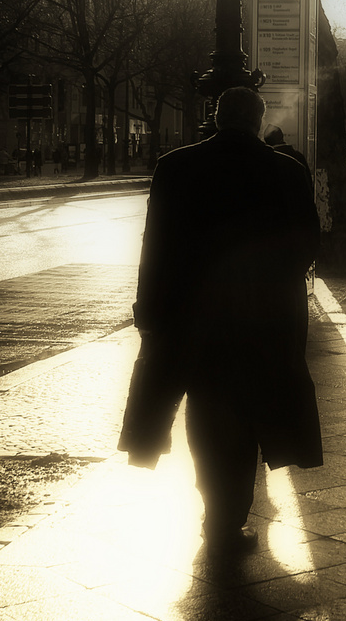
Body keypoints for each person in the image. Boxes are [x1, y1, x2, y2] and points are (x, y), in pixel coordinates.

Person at [119, 87, 322, 555]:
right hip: (263, 320)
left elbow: (156, 247)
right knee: (250, 414)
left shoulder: (175, 167)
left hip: (194, 318)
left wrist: (150, 312)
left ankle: (214, 510)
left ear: (215, 117)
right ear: (258, 120)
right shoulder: (286, 170)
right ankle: (228, 520)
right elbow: (307, 244)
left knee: (204, 413)